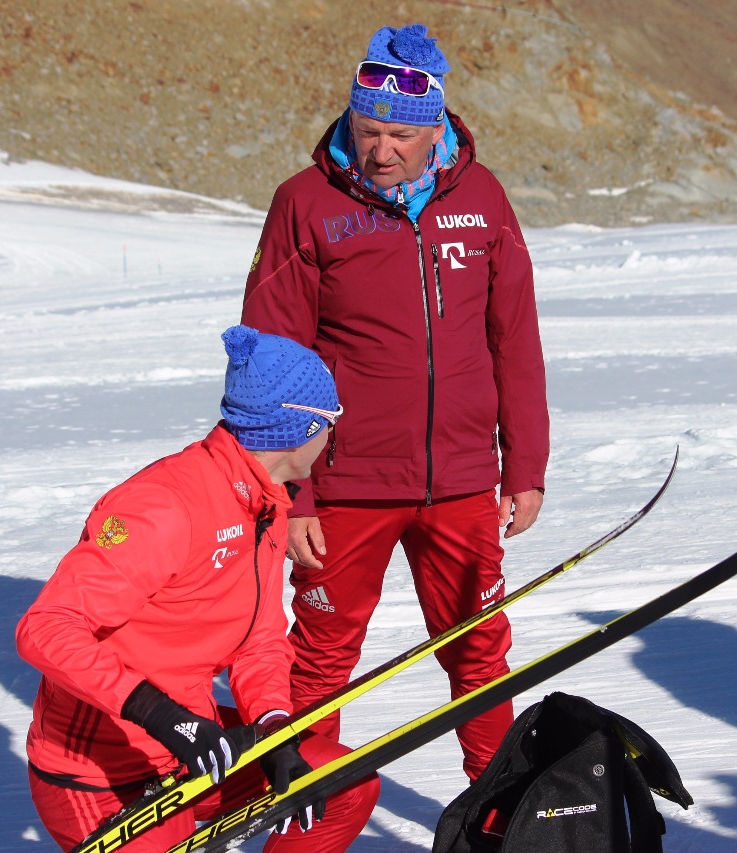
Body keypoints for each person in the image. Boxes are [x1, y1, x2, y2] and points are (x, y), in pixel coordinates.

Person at [240, 23, 549, 781]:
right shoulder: (305, 204)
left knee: (480, 648)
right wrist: (294, 492)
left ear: (435, 126)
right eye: (368, 130)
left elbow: (514, 336)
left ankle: (498, 807)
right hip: (343, 486)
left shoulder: (481, 198)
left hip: (464, 480)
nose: (382, 151)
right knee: (318, 659)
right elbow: (271, 354)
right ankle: (308, 810)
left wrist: (527, 463)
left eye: (401, 135)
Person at [16, 325, 380, 853]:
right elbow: (45, 629)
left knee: (344, 783)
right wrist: (162, 717)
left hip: (194, 750)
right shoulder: (165, 506)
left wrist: (274, 727)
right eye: (333, 423)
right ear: (302, 430)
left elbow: (260, 640)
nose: (334, 437)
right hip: (103, 773)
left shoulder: (266, 502)